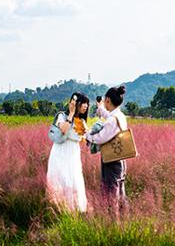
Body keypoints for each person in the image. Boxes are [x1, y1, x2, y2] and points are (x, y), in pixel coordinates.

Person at [84, 85, 128, 218]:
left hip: (111, 161)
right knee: (120, 191)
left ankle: (112, 223)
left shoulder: (112, 120)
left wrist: (86, 134)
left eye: (105, 101)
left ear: (108, 99)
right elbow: (107, 115)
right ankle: (122, 221)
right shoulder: (120, 115)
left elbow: (100, 138)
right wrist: (100, 108)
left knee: (110, 192)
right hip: (120, 159)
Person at [46, 93, 90, 213]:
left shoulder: (81, 121)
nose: (85, 106)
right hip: (61, 153)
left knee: (74, 181)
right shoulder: (62, 116)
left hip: (73, 154)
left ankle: (73, 211)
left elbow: (83, 140)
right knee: (61, 179)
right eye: (83, 102)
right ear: (74, 103)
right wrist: (71, 113)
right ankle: (58, 209)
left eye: (87, 103)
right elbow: (64, 130)